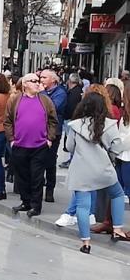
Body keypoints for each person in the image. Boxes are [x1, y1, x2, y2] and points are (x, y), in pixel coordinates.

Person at [65, 92, 130, 254]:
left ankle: (86, 242)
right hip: (103, 170)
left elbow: (70, 147)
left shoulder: (75, 125)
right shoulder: (109, 124)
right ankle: (117, 229)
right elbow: (116, 147)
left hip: (81, 171)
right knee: (117, 194)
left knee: (82, 205)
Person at [4, 73, 58, 218]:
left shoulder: (45, 100)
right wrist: (11, 139)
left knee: (37, 177)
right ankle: (26, 201)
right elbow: (8, 120)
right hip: (20, 145)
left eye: (37, 80)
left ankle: (36, 205)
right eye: (33, 81)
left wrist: (50, 138)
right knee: (22, 176)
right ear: (25, 84)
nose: (37, 83)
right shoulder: (15, 100)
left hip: (39, 146)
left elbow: (53, 120)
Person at [40, 69, 67, 203]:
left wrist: (41, 97)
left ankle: (50, 190)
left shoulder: (60, 93)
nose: (41, 79)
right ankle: (37, 190)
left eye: (44, 77)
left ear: (53, 80)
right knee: (38, 161)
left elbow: (51, 109)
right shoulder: (42, 92)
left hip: (53, 131)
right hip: (39, 130)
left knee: (50, 162)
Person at [59, 73, 84, 169]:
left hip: (71, 119)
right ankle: (71, 159)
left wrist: (66, 116)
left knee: (72, 141)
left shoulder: (74, 93)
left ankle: (72, 160)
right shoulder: (77, 91)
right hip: (71, 119)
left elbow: (71, 107)